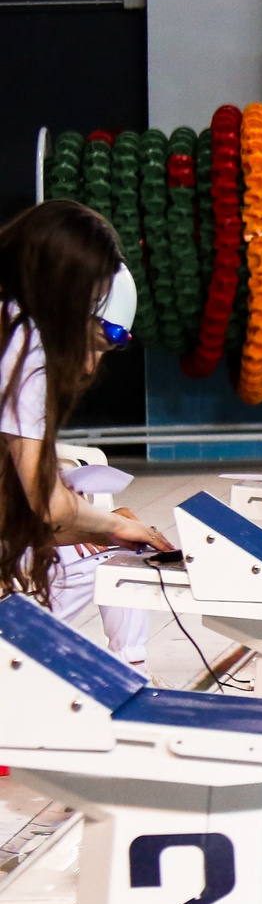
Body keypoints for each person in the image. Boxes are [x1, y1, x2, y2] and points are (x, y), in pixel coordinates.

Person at [0, 201, 174, 666]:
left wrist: (104, 526)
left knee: (100, 542)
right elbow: (49, 508)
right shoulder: (27, 350)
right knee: (110, 557)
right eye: (97, 344)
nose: (92, 366)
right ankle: (132, 673)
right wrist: (115, 526)